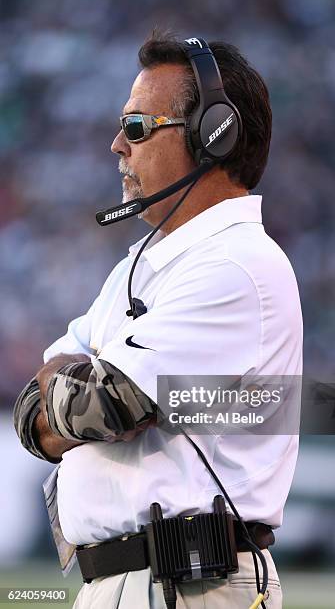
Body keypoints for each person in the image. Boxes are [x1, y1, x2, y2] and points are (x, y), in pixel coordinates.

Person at [14, 31, 302, 609]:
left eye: (139, 126)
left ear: (213, 136)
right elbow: (32, 415)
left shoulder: (237, 263)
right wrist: (72, 394)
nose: (118, 144)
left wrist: (79, 389)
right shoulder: (143, 262)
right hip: (126, 581)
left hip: (192, 583)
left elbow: (107, 404)